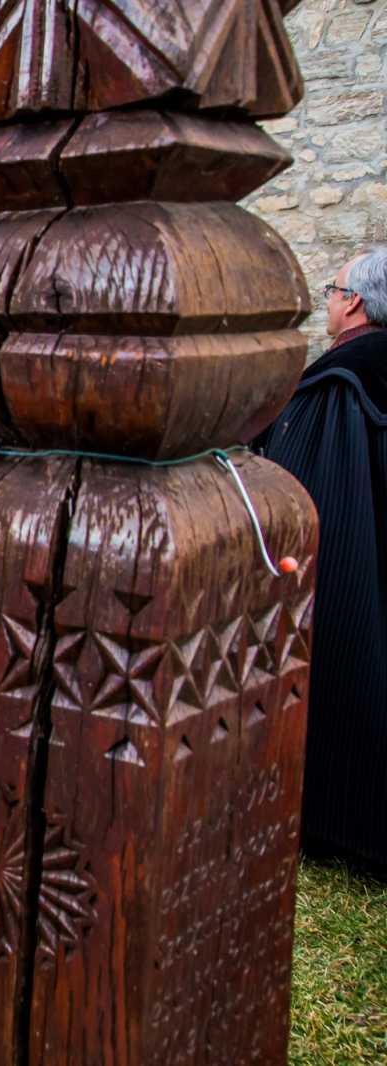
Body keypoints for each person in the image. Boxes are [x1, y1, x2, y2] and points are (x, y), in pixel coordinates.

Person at [258, 247, 387, 875]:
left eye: (333, 291)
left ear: (355, 302)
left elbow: (301, 497)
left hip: (349, 569)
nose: (329, 303)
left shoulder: (342, 383)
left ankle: (339, 818)